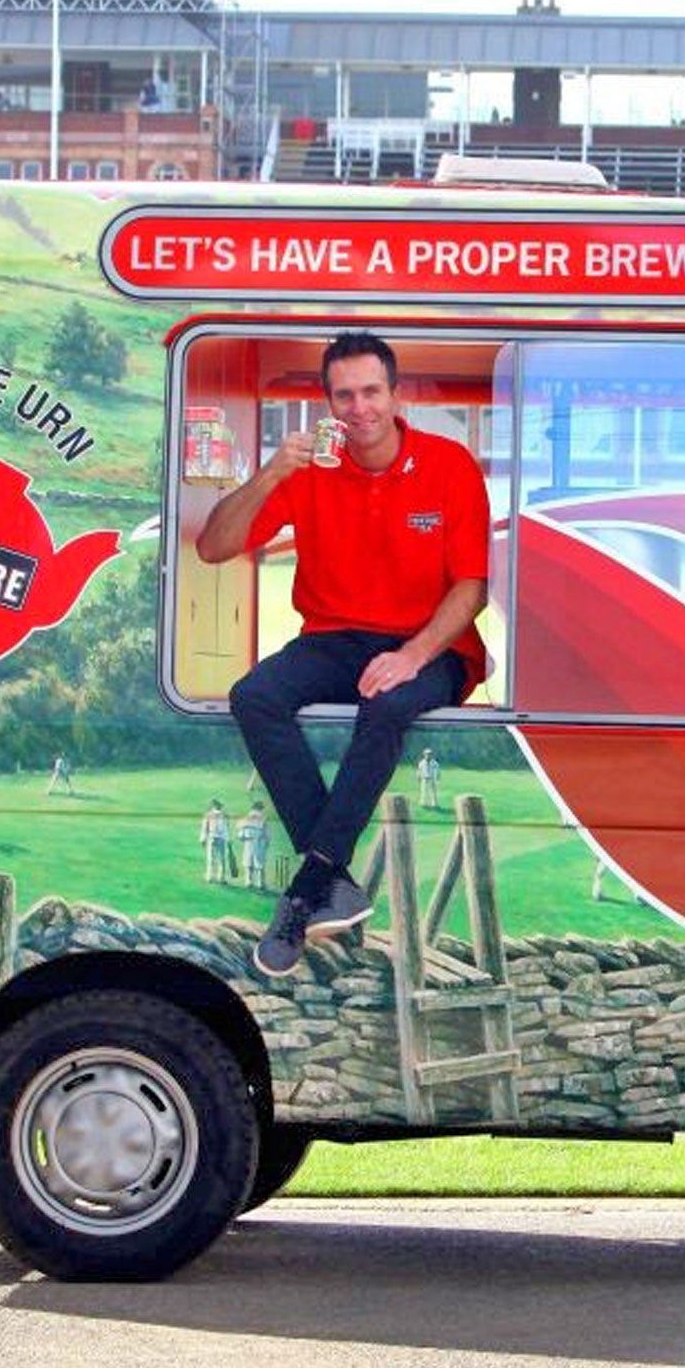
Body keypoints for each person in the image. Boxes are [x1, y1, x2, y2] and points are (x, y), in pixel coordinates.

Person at [197, 331, 488, 977]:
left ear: (396, 393)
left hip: (435, 645)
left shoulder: (448, 464)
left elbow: (472, 586)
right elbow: (213, 547)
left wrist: (414, 654)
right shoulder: (308, 471)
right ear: (329, 402)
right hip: (333, 637)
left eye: (371, 392)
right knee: (255, 695)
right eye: (344, 396)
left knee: (383, 701)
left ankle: (307, 890)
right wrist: (272, 471)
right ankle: (335, 881)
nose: (359, 408)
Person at [236, 802, 272, 893]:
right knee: (259, 864)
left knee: (248, 862)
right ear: (260, 809)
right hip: (259, 842)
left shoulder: (246, 818)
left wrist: (243, 838)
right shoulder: (263, 818)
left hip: (248, 842)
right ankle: (260, 884)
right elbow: (267, 834)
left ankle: (248, 882)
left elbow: (240, 833)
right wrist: (266, 843)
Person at [200, 799, 232, 883]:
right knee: (219, 859)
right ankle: (219, 877)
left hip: (214, 837)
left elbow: (204, 828)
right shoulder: (223, 815)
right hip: (218, 838)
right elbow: (225, 828)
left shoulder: (210, 815)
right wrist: (228, 839)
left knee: (213, 858)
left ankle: (211, 877)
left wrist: (203, 839)